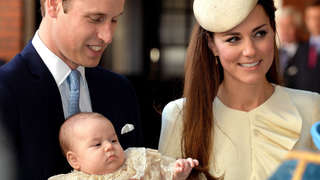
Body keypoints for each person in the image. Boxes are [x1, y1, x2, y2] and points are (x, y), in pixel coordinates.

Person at [158, 0, 320, 179]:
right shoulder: (180, 115)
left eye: (260, 33)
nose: (250, 50)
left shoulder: (312, 107)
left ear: (273, 30)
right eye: (233, 39)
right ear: (211, 44)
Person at [0, 0, 143, 179]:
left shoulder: (120, 90)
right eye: (95, 18)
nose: (108, 37)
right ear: (53, 5)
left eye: (114, 20)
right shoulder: (5, 90)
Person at [48, 112, 199, 180]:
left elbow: (162, 172)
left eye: (113, 140)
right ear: (74, 160)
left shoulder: (136, 161)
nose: (109, 146)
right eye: (97, 144)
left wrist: (177, 173)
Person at [284, 0, 320, 93]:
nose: (315, 22)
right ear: (305, 20)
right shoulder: (300, 49)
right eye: (311, 18)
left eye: (318, 18)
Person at [276, 6, 303, 82]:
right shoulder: (273, 53)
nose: (285, 30)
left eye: (289, 26)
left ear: (297, 27)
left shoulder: (307, 51)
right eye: (282, 26)